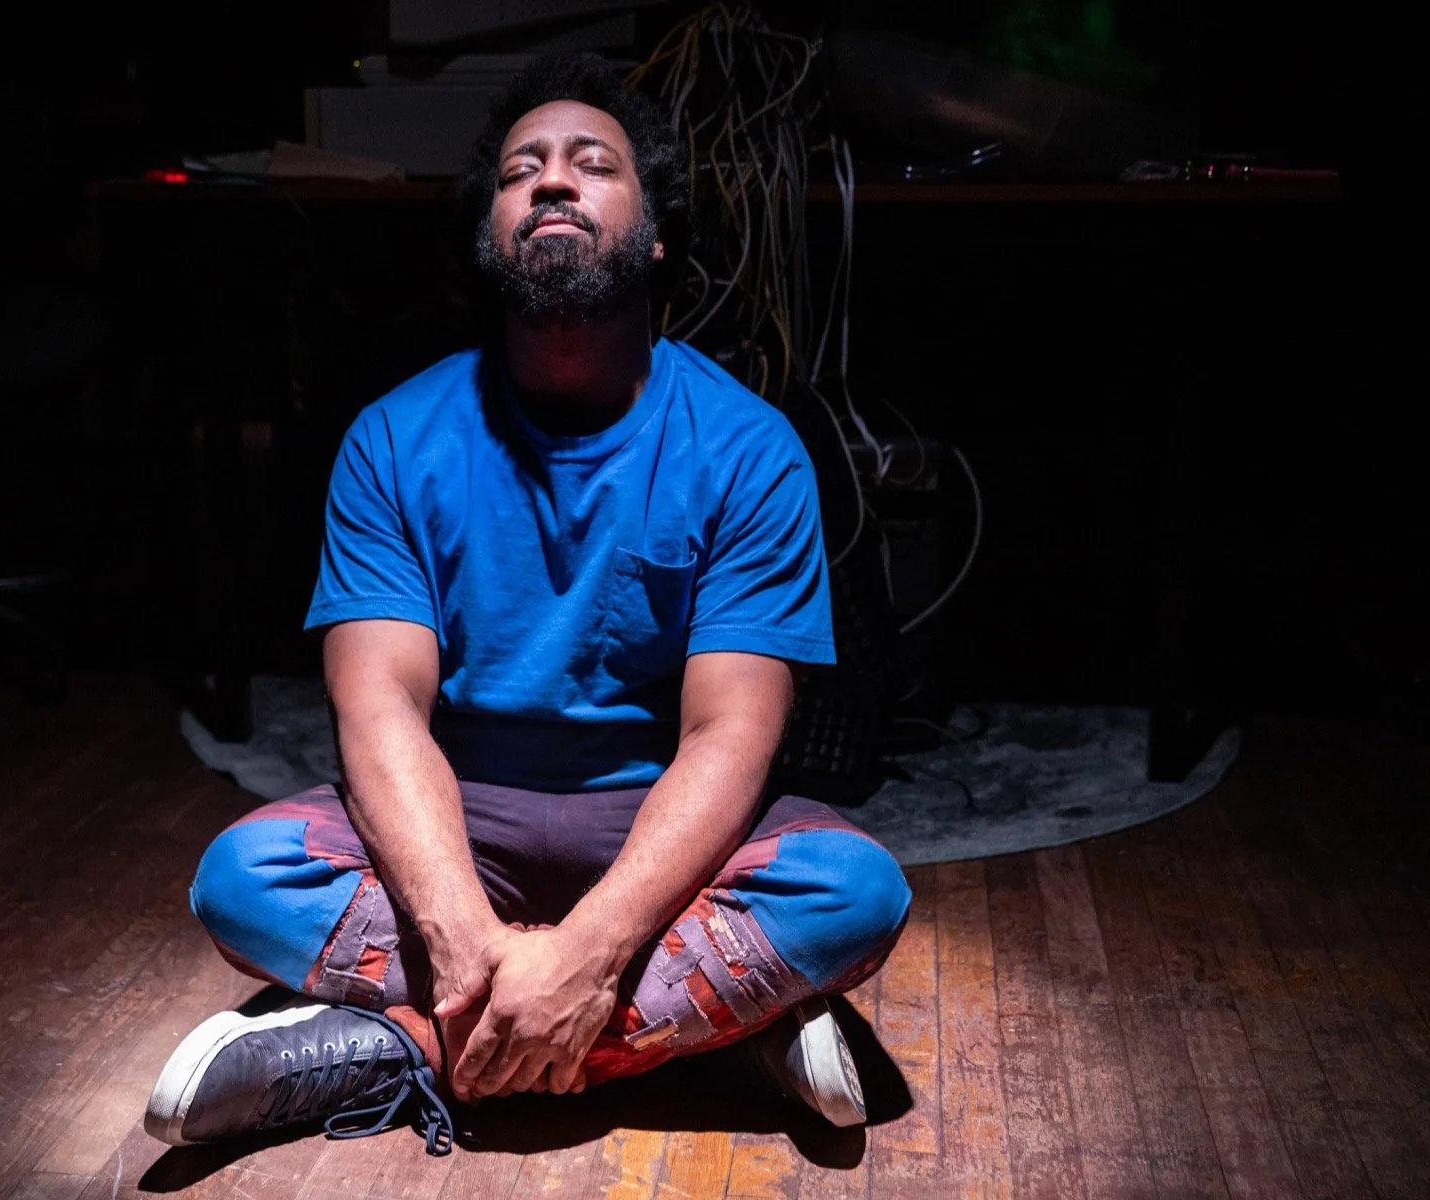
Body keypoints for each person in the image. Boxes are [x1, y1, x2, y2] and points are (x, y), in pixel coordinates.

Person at [144, 54, 912, 1156]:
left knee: (853, 892)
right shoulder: (396, 437)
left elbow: (731, 735)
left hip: (659, 823)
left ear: (652, 237)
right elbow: (379, 715)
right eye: (522, 170)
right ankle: (720, 1036)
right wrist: (465, 943)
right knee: (241, 880)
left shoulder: (748, 449)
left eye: (592, 165)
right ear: (489, 233)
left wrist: (593, 952)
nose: (553, 182)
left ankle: (398, 1048)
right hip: (458, 817)